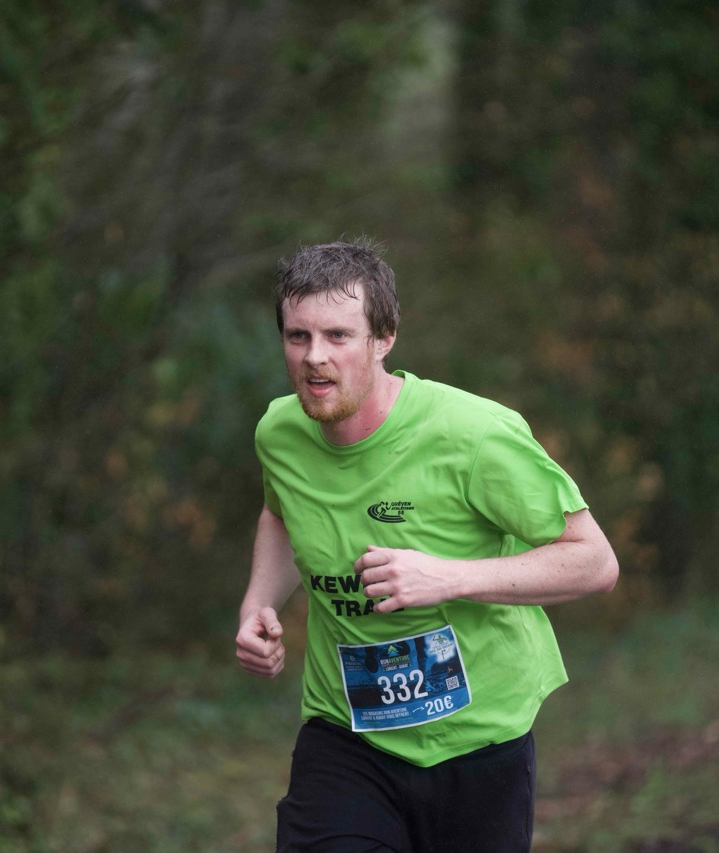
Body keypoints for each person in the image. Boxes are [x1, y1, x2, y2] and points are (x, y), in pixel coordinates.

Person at [236, 238, 619, 853]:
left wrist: (449, 577)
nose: (314, 357)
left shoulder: (472, 434)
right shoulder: (279, 432)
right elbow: (280, 514)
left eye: (338, 335)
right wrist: (259, 604)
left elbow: (595, 561)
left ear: (383, 339)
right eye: (297, 336)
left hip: (480, 738)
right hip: (347, 731)